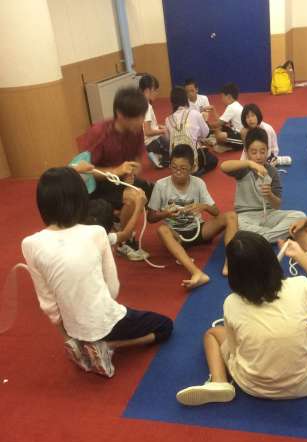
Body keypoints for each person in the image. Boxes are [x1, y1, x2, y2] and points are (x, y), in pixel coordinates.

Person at [21, 167, 173, 378]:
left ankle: (78, 344)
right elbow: (112, 290)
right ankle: (107, 345)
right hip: (105, 322)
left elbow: (47, 301)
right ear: (80, 198)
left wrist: (68, 336)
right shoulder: (96, 233)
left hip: (71, 327)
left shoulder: (30, 243)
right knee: (165, 326)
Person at [176, 232, 307, 406]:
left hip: (251, 385)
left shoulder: (231, 303)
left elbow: (234, 348)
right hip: (304, 384)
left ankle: (218, 381)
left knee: (213, 333)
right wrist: (300, 256)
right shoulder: (299, 287)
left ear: (233, 271)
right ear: (271, 260)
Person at [148, 144, 238, 289]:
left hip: (199, 229)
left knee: (231, 216)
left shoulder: (198, 183)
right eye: (174, 167)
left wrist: (203, 206)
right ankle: (196, 272)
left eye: (183, 168)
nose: (178, 172)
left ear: (192, 167)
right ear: (169, 165)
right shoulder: (161, 185)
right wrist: (166, 213)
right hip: (176, 235)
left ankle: (230, 262)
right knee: (162, 230)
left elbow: (216, 212)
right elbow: (150, 218)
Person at [83, 87, 152, 260]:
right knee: (134, 198)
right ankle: (123, 241)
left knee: (156, 190)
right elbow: (85, 172)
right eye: (137, 117)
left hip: (121, 180)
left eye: (142, 116)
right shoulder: (99, 132)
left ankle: (119, 220)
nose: (142, 121)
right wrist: (116, 171)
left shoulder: (136, 130)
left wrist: (133, 171)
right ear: (120, 115)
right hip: (97, 185)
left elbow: (138, 158)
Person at [221, 128, 306, 242]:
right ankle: (274, 235)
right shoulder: (244, 169)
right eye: (254, 152)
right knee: (238, 224)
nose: (259, 156)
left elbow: (277, 205)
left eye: (262, 152)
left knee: (300, 216)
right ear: (246, 152)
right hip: (245, 216)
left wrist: (270, 195)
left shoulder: (272, 171)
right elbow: (224, 166)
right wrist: (249, 163)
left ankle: (263, 237)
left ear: (267, 151)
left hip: (269, 214)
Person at [165, 87, 218, 176]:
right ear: (186, 99)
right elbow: (206, 133)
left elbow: (169, 140)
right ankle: (196, 172)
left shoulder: (168, 119)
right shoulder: (194, 113)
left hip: (175, 160)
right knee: (213, 160)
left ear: (172, 102)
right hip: (191, 157)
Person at [139, 74, 170, 168]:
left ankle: (156, 154)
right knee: (175, 151)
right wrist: (163, 131)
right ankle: (159, 160)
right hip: (153, 141)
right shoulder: (147, 107)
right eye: (155, 90)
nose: (157, 93)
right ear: (148, 90)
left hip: (148, 142)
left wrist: (158, 127)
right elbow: (148, 131)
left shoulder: (139, 103)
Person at [212, 82, 244, 149]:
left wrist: (205, 125)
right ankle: (222, 143)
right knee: (218, 129)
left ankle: (222, 144)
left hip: (242, 138)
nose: (221, 100)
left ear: (229, 97)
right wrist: (213, 110)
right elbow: (220, 122)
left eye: (222, 97)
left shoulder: (231, 107)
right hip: (235, 131)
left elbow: (218, 123)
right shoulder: (235, 104)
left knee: (219, 135)